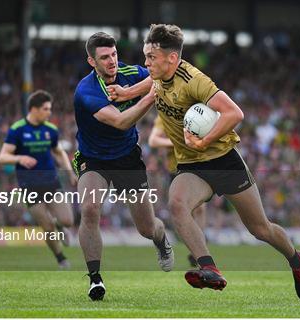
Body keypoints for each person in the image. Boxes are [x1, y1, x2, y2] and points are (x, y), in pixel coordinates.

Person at [108, 24, 300, 300]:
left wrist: (203, 142)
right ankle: (209, 268)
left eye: (151, 58)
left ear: (172, 58)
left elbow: (234, 113)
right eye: (146, 56)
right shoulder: (160, 75)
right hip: (192, 166)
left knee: (260, 228)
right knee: (177, 204)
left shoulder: (194, 80)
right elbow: (153, 84)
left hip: (223, 160)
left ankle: (296, 260)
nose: (146, 63)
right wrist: (127, 93)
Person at [73, 32, 174, 302]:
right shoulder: (86, 91)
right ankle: (95, 278)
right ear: (91, 61)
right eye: (104, 57)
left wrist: (147, 87)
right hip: (93, 158)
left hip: (127, 157)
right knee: (89, 208)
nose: (112, 61)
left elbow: (160, 75)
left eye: (114, 54)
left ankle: (161, 238)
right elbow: (121, 121)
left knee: (146, 228)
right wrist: (150, 98)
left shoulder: (132, 72)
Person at [0, 90, 75, 269]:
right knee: (46, 227)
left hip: (51, 182)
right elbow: (3, 157)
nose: (49, 113)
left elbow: (59, 152)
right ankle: (61, 258)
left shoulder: (50, 130)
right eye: (46, 109)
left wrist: (69, 171)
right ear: (34, 109)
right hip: (29, 186)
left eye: (50, 109)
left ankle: (59, 225)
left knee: (67, 221)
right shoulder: (17, 130)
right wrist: (19, 159)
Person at [148, 115, 207, 267]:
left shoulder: (196, 114)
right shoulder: (164, 117)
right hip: (177, 169)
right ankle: (194, 246)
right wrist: (177, 143)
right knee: (184, 210)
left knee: (200, 209)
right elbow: (154, 140)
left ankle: (198, 252)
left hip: (197, 165)